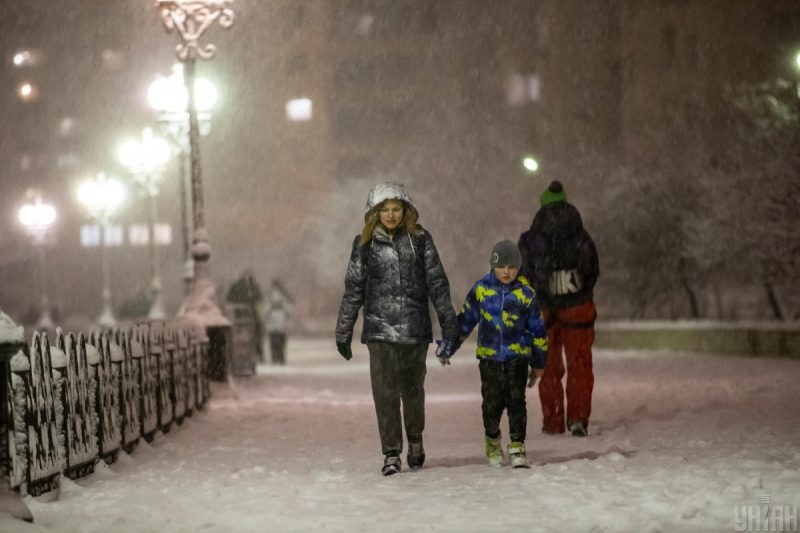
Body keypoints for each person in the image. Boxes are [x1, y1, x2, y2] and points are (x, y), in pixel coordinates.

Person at [335, 182, 459, 476]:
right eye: (385, 210)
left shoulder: (420, 240)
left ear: (405, 211)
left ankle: (415, 438)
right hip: (379, 331)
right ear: (375, 214)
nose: (391, 215)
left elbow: (437, 284)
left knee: (413, 391)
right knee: (385, 393)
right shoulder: (364, 245)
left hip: (414, 331)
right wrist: (344, 330)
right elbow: (353, 289)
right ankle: (391, 452)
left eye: (396, 209)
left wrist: (449, 326)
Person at [436, 240, 547, 468]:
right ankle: (493, 438)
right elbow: (465, 321)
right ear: (493, 265)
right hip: (489, 358)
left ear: (519, 267)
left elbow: (538, 330)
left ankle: (517, 445)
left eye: (512, 266)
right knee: (491, 403)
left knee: (516, 402)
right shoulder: (482, 290)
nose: (507, 272)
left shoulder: (526, 294)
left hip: (517, 357)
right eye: (502, 266)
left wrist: (538, 362)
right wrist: (449, 346)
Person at [517, 180, 599, 437]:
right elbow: (592, 270)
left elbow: (523, 275)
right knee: (580, 364)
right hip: (578, 307)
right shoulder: (580, 235)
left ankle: (552, 421)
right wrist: (577, 290)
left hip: (542, 310)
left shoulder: (531, 239)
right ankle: (577, 419)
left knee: (548, 366)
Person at [265, 279, 292, 365]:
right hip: (279, 320)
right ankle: (279, 357)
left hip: (276, 319)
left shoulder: (271, 295)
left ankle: (276, 357)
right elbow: (289, 308)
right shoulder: (284, 295)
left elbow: (266, 309)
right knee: (279, 340)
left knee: (275, 340)